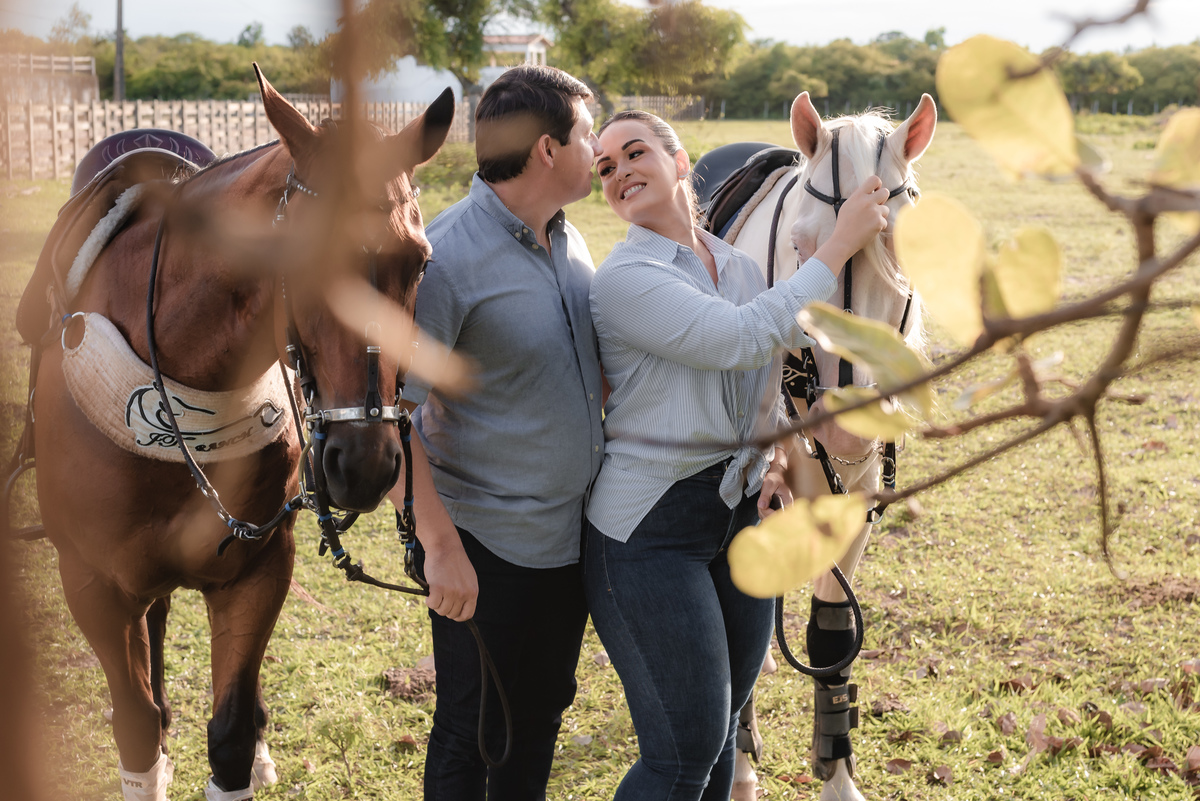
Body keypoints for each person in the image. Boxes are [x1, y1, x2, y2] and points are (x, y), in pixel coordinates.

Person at [584, 110, 889, 800]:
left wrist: (777, 459)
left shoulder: (742, 266)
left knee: (722, 732)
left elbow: (763, 388)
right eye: (606, 168)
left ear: (677, 157)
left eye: (635, 153)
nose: (620, 172)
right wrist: (834, 249)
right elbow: (742, 338)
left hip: (736, 517)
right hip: (648, 532)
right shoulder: (624, 278)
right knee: (682, 752)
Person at [388, 66, 605, 800]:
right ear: (548, 149)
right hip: (482, 544)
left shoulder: (571, 245)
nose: (599, 146)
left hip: (566, 539)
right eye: (589, 131)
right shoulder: (446, 259)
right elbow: (393, 417)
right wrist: (440, 545)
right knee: (472, 727)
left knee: (541, 711)